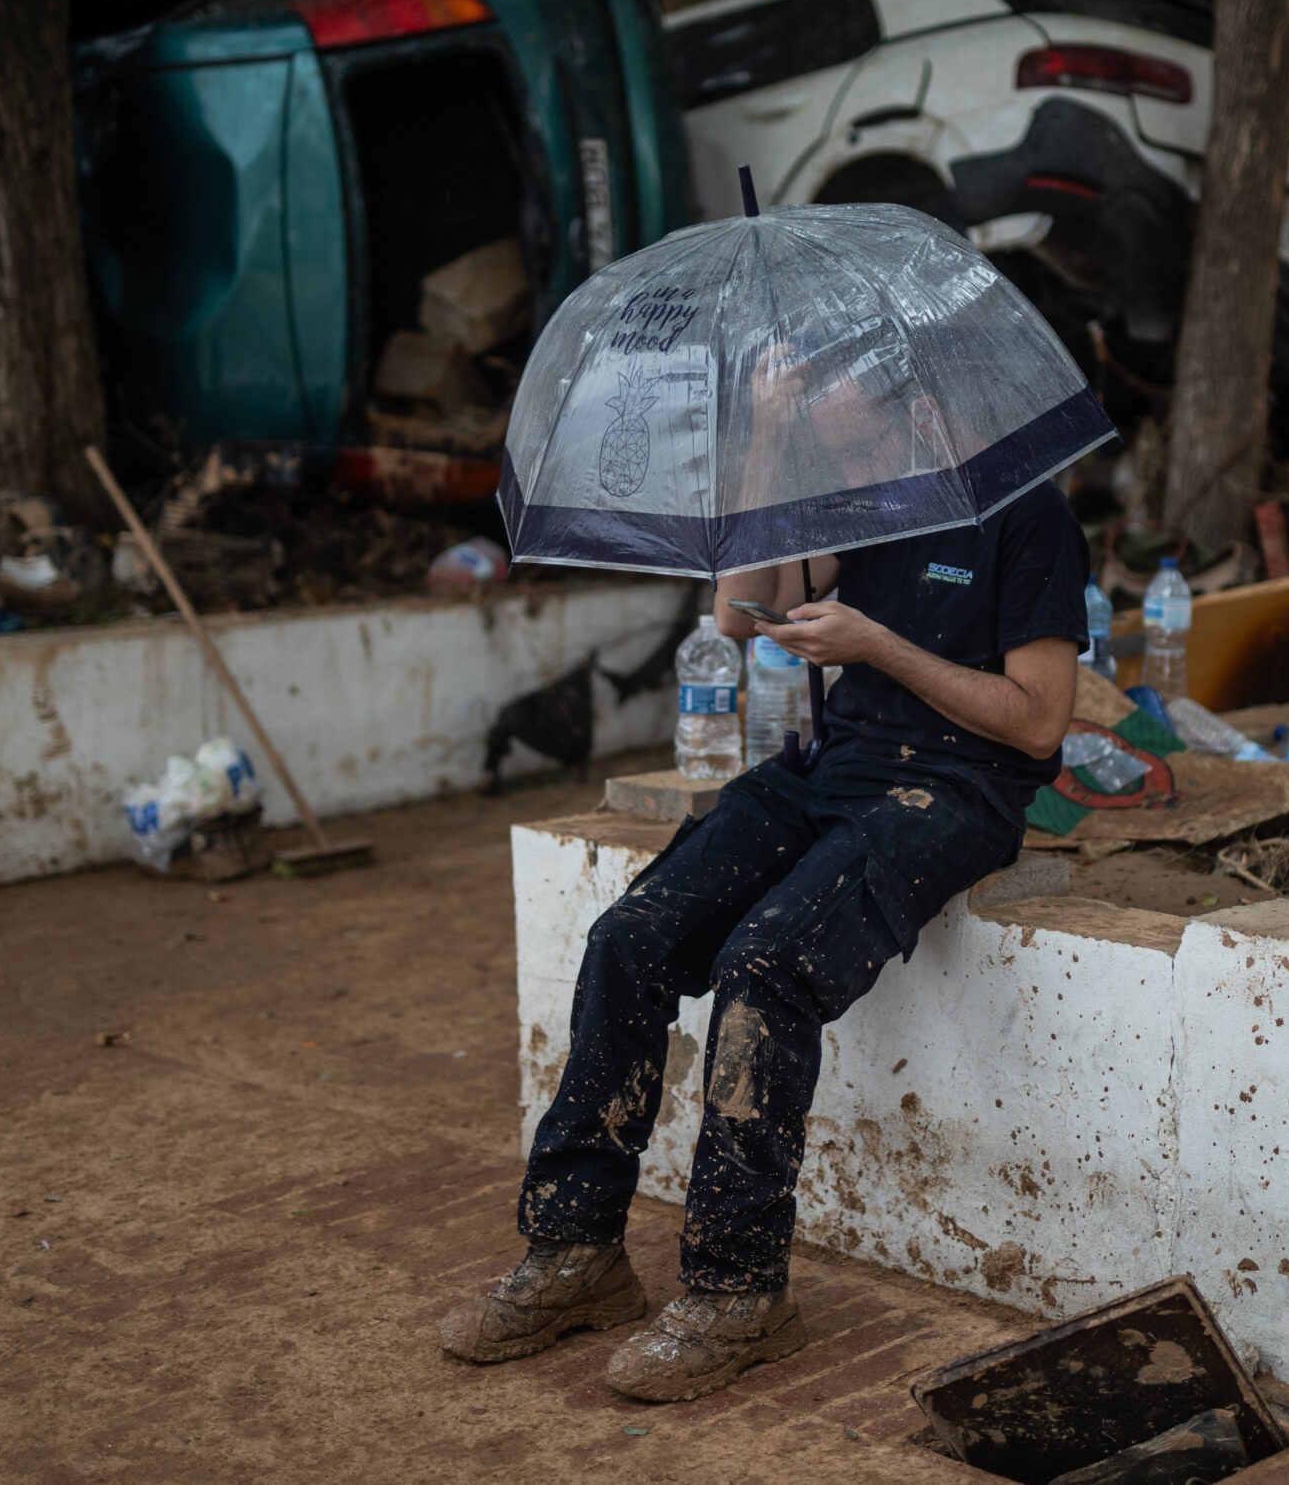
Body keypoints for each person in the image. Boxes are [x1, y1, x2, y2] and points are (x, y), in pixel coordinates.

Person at [441, 361, 1090, 1401]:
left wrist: (877, 645)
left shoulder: (1027, 516)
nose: (842, 467)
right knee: (630, 938)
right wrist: (767, 442)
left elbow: (1039, 721)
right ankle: (573, 1250)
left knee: (767, 961)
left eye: (850, 444)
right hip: (830, 773)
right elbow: (740, 619)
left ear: (920, 410)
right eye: (823, 449)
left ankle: (738, 1290)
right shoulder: (847, 497)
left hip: (955, 792)